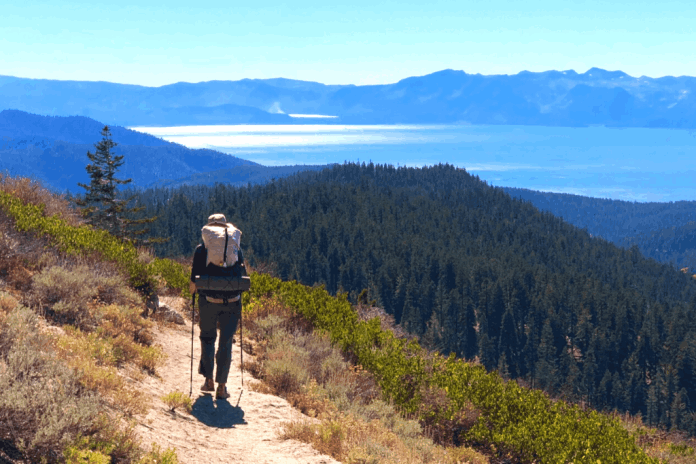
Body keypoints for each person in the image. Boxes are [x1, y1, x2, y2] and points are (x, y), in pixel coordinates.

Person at [189, 213, 246, 400]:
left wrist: (195, 293)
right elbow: (242, 275)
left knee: (207, 338)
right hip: (232, 301)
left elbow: (192, 285)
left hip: (208, 301)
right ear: (226, 228)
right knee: (226, 342)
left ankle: (208, 381)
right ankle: (222, 387)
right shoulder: (235, 247)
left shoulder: (201, 249)